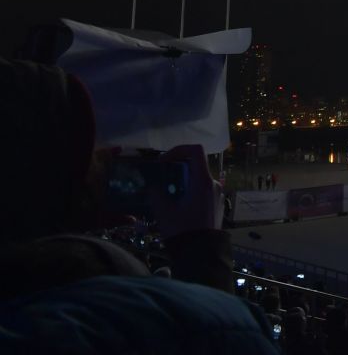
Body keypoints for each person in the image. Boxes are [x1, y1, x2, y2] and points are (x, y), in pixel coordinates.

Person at [0, 57, 279, 354]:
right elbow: (223, 338)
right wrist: (203, 253)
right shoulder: (108, 314)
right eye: (91, 149)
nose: (106, 154)